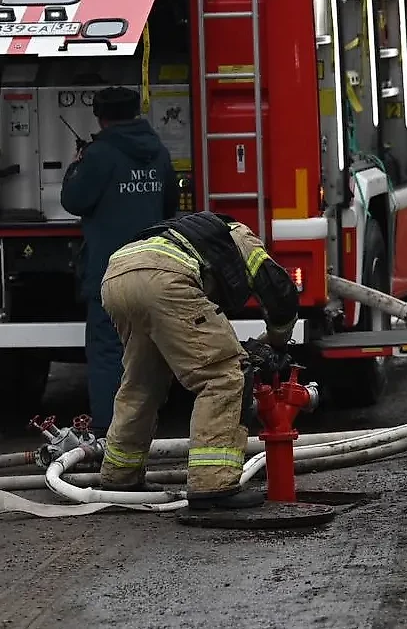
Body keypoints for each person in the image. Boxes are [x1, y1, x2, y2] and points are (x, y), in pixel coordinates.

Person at [98, 211, 299, 509]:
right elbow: (278, 291)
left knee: (143, 382)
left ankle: (120, 477)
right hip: (166, 280)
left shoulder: (187, 234)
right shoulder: (241, 236)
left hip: (117, 276)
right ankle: (213, 484)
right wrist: (279, 342)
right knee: (224, 376)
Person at [61, 86, 179, 439]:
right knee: (148, 349)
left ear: (100, 118)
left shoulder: (99, 155)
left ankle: (109, 431)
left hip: (110, 271)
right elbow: (170, 206)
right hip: (155, 265)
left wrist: (76, 166)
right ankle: (146, 423)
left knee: (108, 350)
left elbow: (74, 200)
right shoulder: (158, 152)